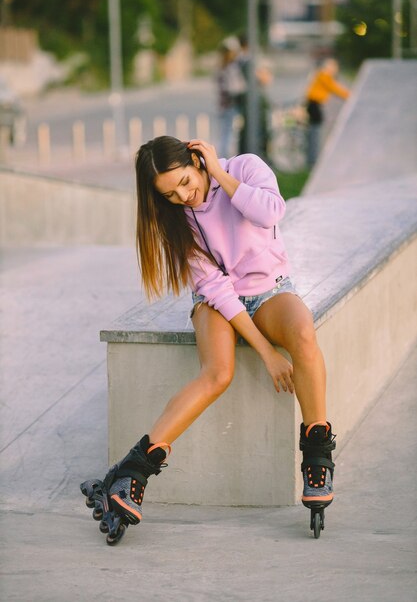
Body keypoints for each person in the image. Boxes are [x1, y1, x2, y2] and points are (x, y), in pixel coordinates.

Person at [81, 136, 336, 544]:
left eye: (185, 181)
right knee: (217, 373)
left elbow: (272, 211)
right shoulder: (177, 218)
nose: (184, 196)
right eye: (170, 193)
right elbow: (216, 289)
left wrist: (219, 173)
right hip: (216, 302)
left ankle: (317, 454)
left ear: (196, 159)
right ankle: (133, 473)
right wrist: (266, 352)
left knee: (304, 332)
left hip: (270, 290)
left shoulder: (245, 168)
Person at [305, 58, 350, 166]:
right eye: (334, 67)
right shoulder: (324, 75)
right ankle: (313, 160)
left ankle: (313, 158)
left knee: (315, 130)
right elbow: (335, 88)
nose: (335, 70)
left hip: (315, 105)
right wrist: (351, 96)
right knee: (315, 131)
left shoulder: (322, 75)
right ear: (329, 67)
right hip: (314, 105)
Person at [236, 33, 272, 157]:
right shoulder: (250, 61)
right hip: (254, 100)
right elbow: (265, 78)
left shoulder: (239, 60)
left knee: (247, 129)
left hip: (244, 99)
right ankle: (260, 155)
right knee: (260, 128)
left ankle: (245, 155)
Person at [216, 36, 247, 158]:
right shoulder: (230, 67)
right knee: (228, 134)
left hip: (224, 104)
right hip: (230, 104)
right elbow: (235, 87)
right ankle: (225, 159)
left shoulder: (222, 66)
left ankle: (224, 157)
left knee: (226, 133)